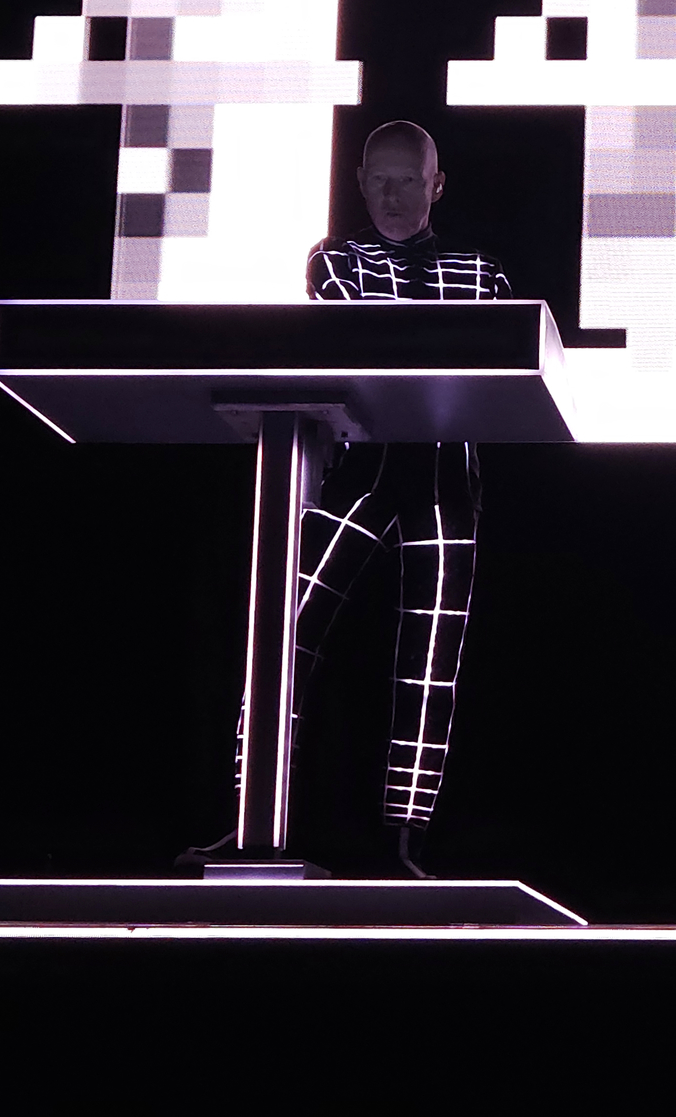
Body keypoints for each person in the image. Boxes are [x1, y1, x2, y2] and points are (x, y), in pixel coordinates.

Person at [186, 121, 510, 877]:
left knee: (431, 661)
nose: (392, 196)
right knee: (283, 636)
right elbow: (368, 336)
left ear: (436, 185)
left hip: (445, 479)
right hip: (360, 468)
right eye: (378, 180)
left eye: (408, 180)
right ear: (360, 182)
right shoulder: (338, 259)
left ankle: (405, 844)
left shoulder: (481, 272)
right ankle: (252, 819)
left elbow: (484, 360)